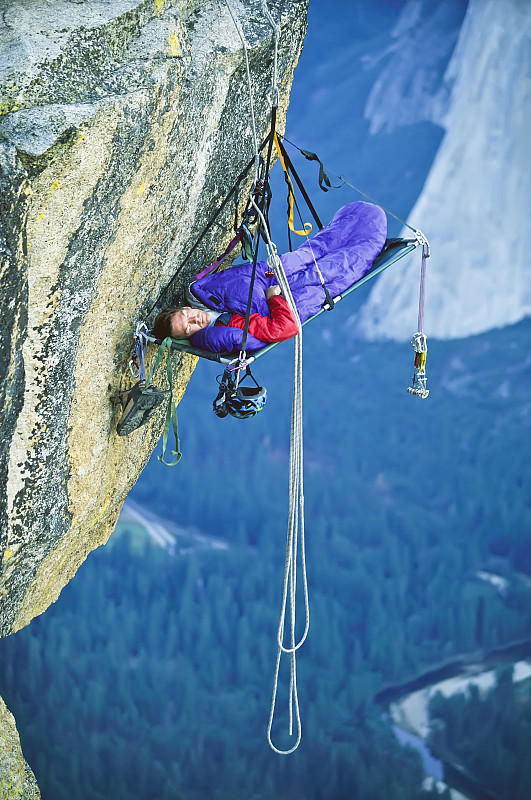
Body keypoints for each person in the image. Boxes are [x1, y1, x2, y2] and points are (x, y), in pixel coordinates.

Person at [153, 201, 387, 353]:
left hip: (274, 271)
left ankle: (357, 220)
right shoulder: (225, 330)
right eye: (189, 328)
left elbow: (243, 277)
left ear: (184, 308)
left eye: (187, 315)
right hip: (290, 297)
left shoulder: (203, 293)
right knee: (341, 266)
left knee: (319, 248)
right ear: (188, 338)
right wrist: (274, 298)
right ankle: (365, 238)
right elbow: (285, 327)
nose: (196, 320)